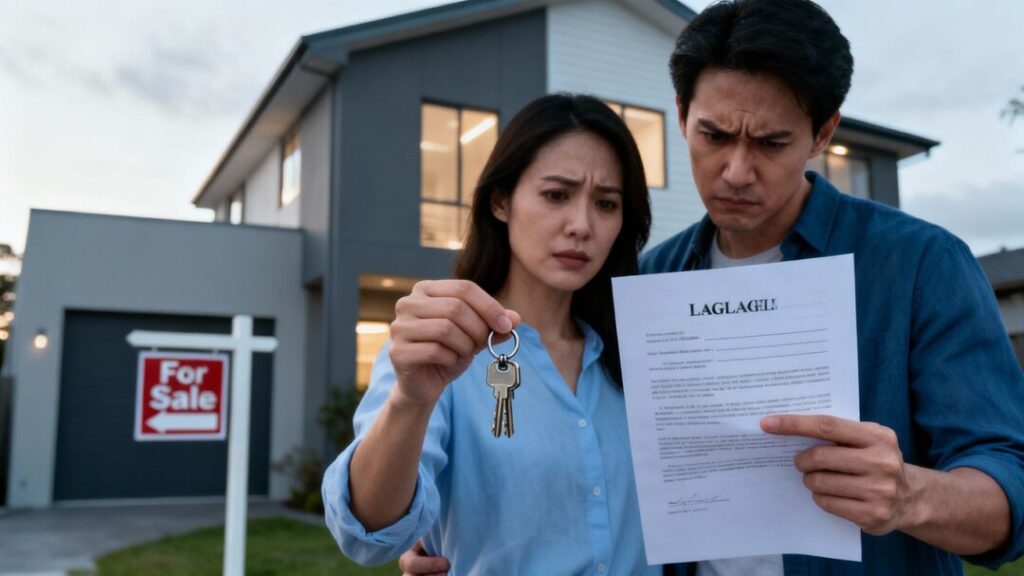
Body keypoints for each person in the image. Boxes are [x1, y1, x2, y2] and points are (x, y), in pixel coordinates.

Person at [400, 0, 1024, 574]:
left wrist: (911, 496)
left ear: (824, 131)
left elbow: (1009, 483)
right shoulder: (644, 282)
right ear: (680, 114)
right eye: (714, 135)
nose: (736, 171)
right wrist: (453, 534)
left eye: (772, 142)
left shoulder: (920, 266)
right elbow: (592, 462)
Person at [321, 93, 658, 574]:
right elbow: (367, 533)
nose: (581, 225)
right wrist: (411, 401)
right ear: (501, 201)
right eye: (556, 195)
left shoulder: (638, 356)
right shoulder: (440, 350)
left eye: (606, 203)